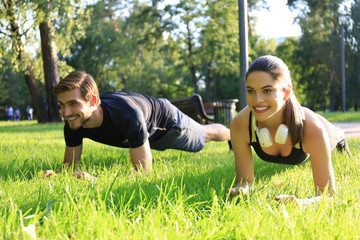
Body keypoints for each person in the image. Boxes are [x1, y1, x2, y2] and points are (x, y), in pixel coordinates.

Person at [43, 71, 230, 178]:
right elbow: (69, 168)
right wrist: (57, 176)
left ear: (93, 102)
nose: (65, 113)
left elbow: (142, 174)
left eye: (73, 104)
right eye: (62, 105)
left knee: (205, 136)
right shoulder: (74, 122)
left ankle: (232, 134)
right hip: (143, 132)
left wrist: (94, 180)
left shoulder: (127, 116)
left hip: (168, 124)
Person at [227, 55, 349, 207]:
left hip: (325, 131)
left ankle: (341, 136)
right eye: (251, 91)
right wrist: (242, 189)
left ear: (285, 92)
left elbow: (328, 196)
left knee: (336, 134)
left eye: (267, 90)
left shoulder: (312, 129)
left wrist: (301, 203)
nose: (257, 100)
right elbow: (244, 182)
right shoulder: (240, 124)